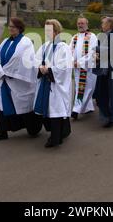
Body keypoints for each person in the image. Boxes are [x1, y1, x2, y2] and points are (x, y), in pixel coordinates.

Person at [0, 17, 41, 142]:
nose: (10, 28)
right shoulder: (5, 41)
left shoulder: (25, 42)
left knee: (24, 106)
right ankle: (2, 131)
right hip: (4, 80)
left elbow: (22, 60)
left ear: (19, 28)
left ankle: (34, 128)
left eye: (12, 26)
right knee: (2, 105)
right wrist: (1, 72)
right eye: (9, 26)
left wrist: (8, 72)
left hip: (19, 81)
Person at [33, 19, 73, 148]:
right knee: (50, 110)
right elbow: (36, 59)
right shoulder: (45, 46)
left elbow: (64, 67)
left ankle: (56, 139)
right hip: (46, 83)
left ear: (56, 31)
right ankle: (64, 131)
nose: (47, 33)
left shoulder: (64, 47)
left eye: (49, 30)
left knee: (56, 110)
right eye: (46, 30)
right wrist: (39, 67)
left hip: (56, 85)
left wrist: (49, 70)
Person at [93, 17, 113, 128]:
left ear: (109, 25)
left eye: (103, 23)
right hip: (104, 70)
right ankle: (106, 116)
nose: (101, 24)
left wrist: (97, 52)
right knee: (103, 93)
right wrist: (97, 54)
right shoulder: (103, 36)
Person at [70, 17, 98, 120]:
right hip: (77, 68)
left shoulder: (92, 37)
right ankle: (87, 107)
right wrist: (72, 60)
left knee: (87, 88)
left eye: (82, 23)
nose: (80, 25)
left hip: (88, 68)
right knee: (79, 88)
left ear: (87, 24)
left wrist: (80, 62)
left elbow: (92, 52)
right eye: (78, 23)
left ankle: (76, 110)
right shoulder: (74, 37)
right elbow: (70, 50)